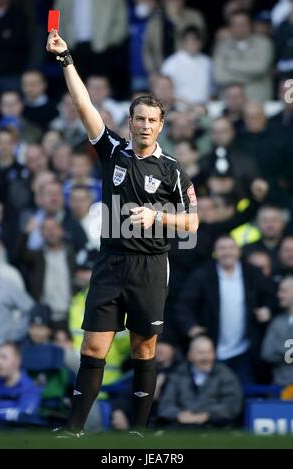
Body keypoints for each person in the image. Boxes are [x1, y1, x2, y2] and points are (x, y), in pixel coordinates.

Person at [46, 29, 199, 437]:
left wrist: (158, 215)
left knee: (143, 348)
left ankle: (138, 430)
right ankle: (74, 429)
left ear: (161, 125)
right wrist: (66, 60)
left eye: (152, 120)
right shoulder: (112, 150)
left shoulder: (173, 170)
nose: (145, 126)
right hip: (111, 261)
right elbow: (83, 104)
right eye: (139, 119)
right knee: (93, 347)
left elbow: (192, 222)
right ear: (129, 122)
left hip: (150, 265)